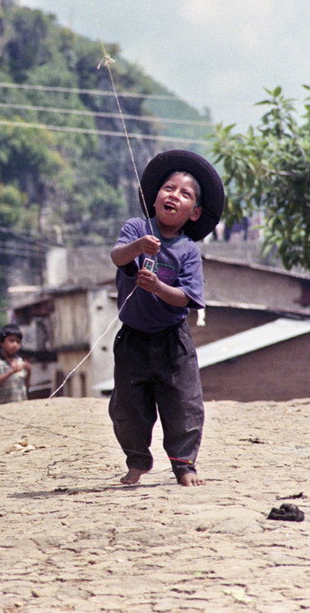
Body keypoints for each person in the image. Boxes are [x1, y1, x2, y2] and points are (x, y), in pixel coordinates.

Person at [108, 149, 224, 487]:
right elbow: (117, 257)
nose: (174, 195)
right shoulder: (135, 228)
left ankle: (184, 466)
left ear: (195, 212)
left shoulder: (188, 250)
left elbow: (187, 299)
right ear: (155, 197)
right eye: (169, 188)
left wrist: (158, 286)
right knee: (127, 408)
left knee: (184, 405)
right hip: (132, 338)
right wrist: (138, 248)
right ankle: (137, 462)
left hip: (173, 341)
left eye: (185, 194)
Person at [0, 323, 31, 404]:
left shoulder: (20, 361)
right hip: (2, 407)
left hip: (20, 405)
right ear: (1, 343)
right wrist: (11, 371)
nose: (15, 345)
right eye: (11, 341)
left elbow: (26, 386)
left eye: (18, 342)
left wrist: (29, 371)